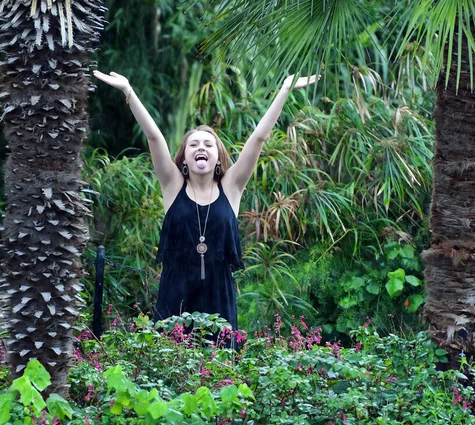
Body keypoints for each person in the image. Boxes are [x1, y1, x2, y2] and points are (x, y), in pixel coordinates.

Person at [93, 69, 318, 343]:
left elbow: (258, 138)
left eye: (209, 144)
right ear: (184, 159)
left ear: (218, 158)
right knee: (170, 372)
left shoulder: (232, 186)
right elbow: (154, 137)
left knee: (218, 374)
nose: (202, 147)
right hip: (174, 300)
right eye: (194, 144)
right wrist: (129, 91)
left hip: (219, 301)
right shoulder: (172, 185)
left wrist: (284, 90)